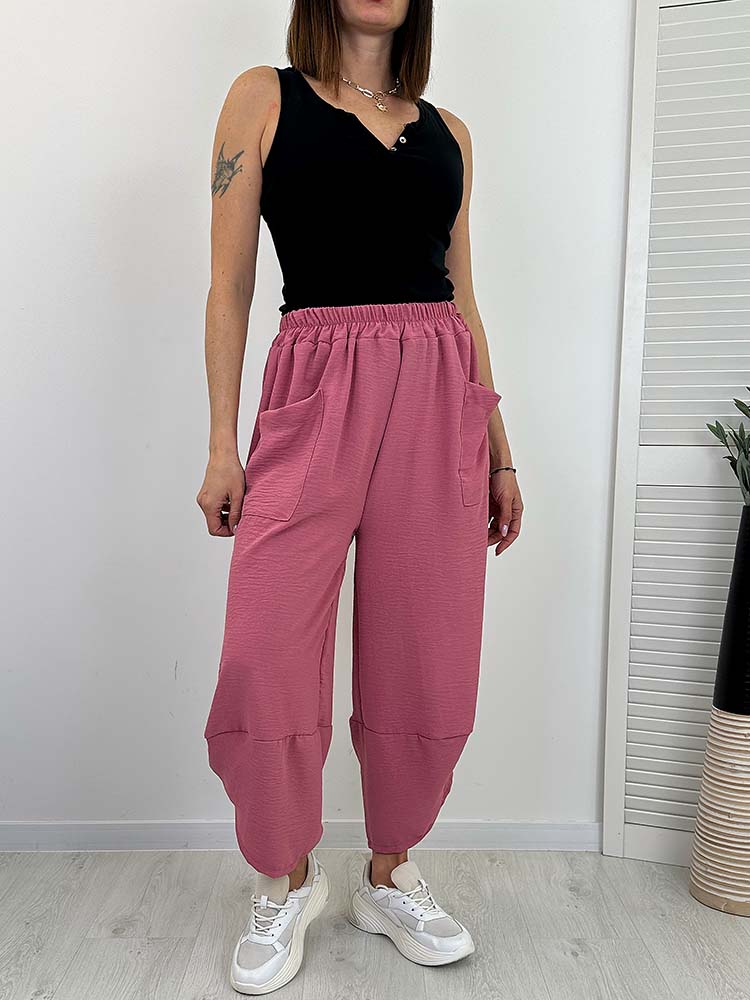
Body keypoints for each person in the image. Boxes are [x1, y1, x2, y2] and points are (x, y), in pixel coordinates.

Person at [196, 0, 523, 993]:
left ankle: (389, 875)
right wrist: (223, 443)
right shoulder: (264, 99)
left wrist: (499, 450)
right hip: (314, 388)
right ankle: (286, 878)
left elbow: (463, 298)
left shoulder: (450, 134)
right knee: (264, 647)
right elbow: (229, 285)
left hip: (437, 395)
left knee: (425, 644)